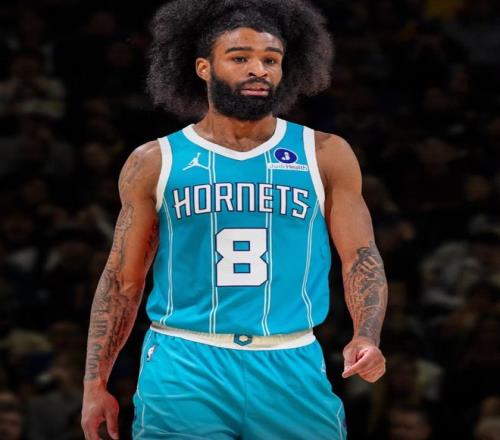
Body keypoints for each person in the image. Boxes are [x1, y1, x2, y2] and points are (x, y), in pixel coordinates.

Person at [81, 1, 388, 439]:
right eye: (240, 58)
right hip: (184, 361)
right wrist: (94, 383)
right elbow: (122, 280)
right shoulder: (154, 161)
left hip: (290, 358)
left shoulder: (324, 153)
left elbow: (361, 256)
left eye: (271, 60)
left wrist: (366, 335)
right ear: (203, 67)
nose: (258, 69)